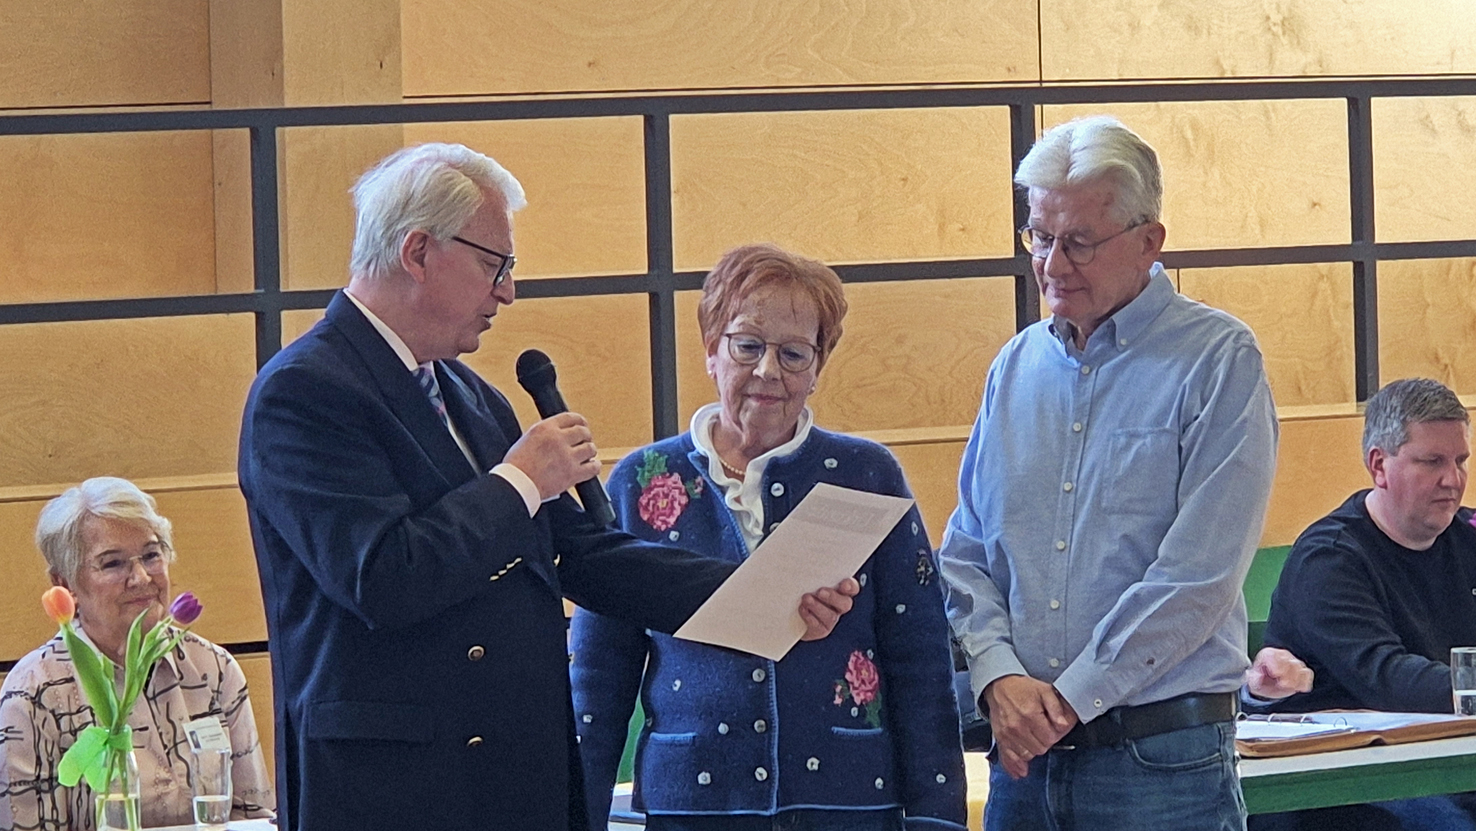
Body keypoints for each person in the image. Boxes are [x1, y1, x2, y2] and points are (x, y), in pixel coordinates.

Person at [236, 143, 857, 831]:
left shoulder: (471, 396)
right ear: (418, 252)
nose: (507, 291)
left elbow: (582, 556)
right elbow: (383, 576)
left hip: (511, 780)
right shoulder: (305, 393)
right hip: (395, 792)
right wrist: (520, 481)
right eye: (494, 265)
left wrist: (761, 597)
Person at [938, 115, 1280, 830]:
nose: (1053, 264)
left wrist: (1066, 700)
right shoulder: (1015, 367)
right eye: (1039, 237)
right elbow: (967, 551)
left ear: (1150, 241)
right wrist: (997, 675)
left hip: (1160, 762)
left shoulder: (1218, 361)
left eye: (1080, 242)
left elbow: (1198, 575)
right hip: (1023, 762)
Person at [571, 243, 968, 831]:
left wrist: (938, 820)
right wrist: (576, 815)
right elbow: (598, 675)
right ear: (711, 349)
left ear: (817, 367)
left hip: (848, 803)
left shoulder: (866, 474)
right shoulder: (640, 480)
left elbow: (921, 660)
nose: (767, 371)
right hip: (693, 805)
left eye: (793, 353)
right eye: (748, 346)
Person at [1251, 378, 1476, 831]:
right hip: (1341, 779)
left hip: (1445, 756)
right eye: (1432, 461)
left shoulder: (1468, 535)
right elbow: (1385, 677)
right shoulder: (1329, 558)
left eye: (1460, 461)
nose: (1453, 480)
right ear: (1379, 465)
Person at [0, 477, 274, 830]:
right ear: (65, 584)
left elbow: (254, 816)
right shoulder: (34, 694)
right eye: (113, 563)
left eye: (151, 555)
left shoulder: (214, 670)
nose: (142, 577)